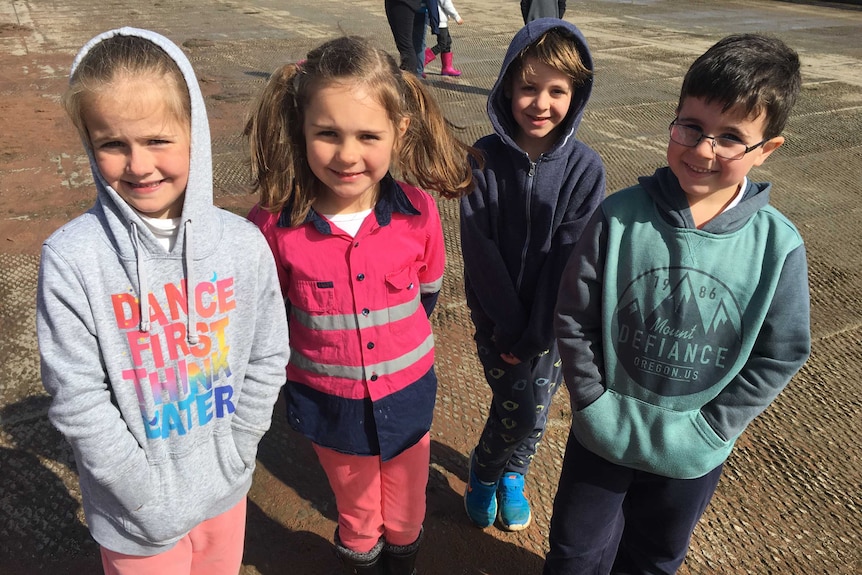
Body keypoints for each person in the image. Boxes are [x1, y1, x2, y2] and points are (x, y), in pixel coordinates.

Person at [544, 33, 811, 574]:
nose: (703, 149)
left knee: (656, 556)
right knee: (574, 550)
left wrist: (713, 428)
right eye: (691, 126)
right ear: (675, 117)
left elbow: (780, 353)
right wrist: (593, 401)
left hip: (692, 452)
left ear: (767, 149)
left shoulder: (778, 247)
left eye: (731, 137)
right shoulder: (619, 216)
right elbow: (575, 314)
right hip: (602, 435)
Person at [36, 27, 291, 575]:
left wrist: (238, 451)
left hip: (226, 493)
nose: (139, 164)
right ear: (89, 143)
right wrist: (146, 496)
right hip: (135, 519)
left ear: (193, 132)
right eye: (112, 144)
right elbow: (77, 399)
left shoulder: (244, 244)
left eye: (157, 140)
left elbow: (268, 356)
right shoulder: (71, 258)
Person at [244, 35, 479, 574]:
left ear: (399, 132)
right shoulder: (273, 226)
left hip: (409, 391)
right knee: (357, 512)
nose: (347, 154)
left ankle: (405, 562)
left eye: (367, 135)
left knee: (408, 509)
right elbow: (267, 320)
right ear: (300, 129)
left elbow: (429, 289)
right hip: (331, 402)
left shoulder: (418, 211)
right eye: (327, 133)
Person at [460, 18, 606, 532]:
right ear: (506, 85)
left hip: (554, 326)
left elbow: (572, 257)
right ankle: (484, 471)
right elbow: (479, 251)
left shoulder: (586, 170)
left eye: (557, 91)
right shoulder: (480, 159)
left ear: (577, 96)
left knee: (538, 413)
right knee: (515, 408)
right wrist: (507, 328)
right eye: (528, 86)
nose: (540, 103)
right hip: (496, 325)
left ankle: (513, 474)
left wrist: (539, 331)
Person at [423, 0, 464, 77]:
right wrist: (457, 17)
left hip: (438, 19)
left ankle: (447, 67)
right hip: (440, 20)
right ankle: (422, 61)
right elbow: (446, 3)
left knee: (447, 42)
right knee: (443, 43)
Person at [386, 0, 422, 73]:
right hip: (404, 4)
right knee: (406, 46)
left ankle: (409, 80)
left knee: (406, 46)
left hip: (402, 4)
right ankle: (409, 77)